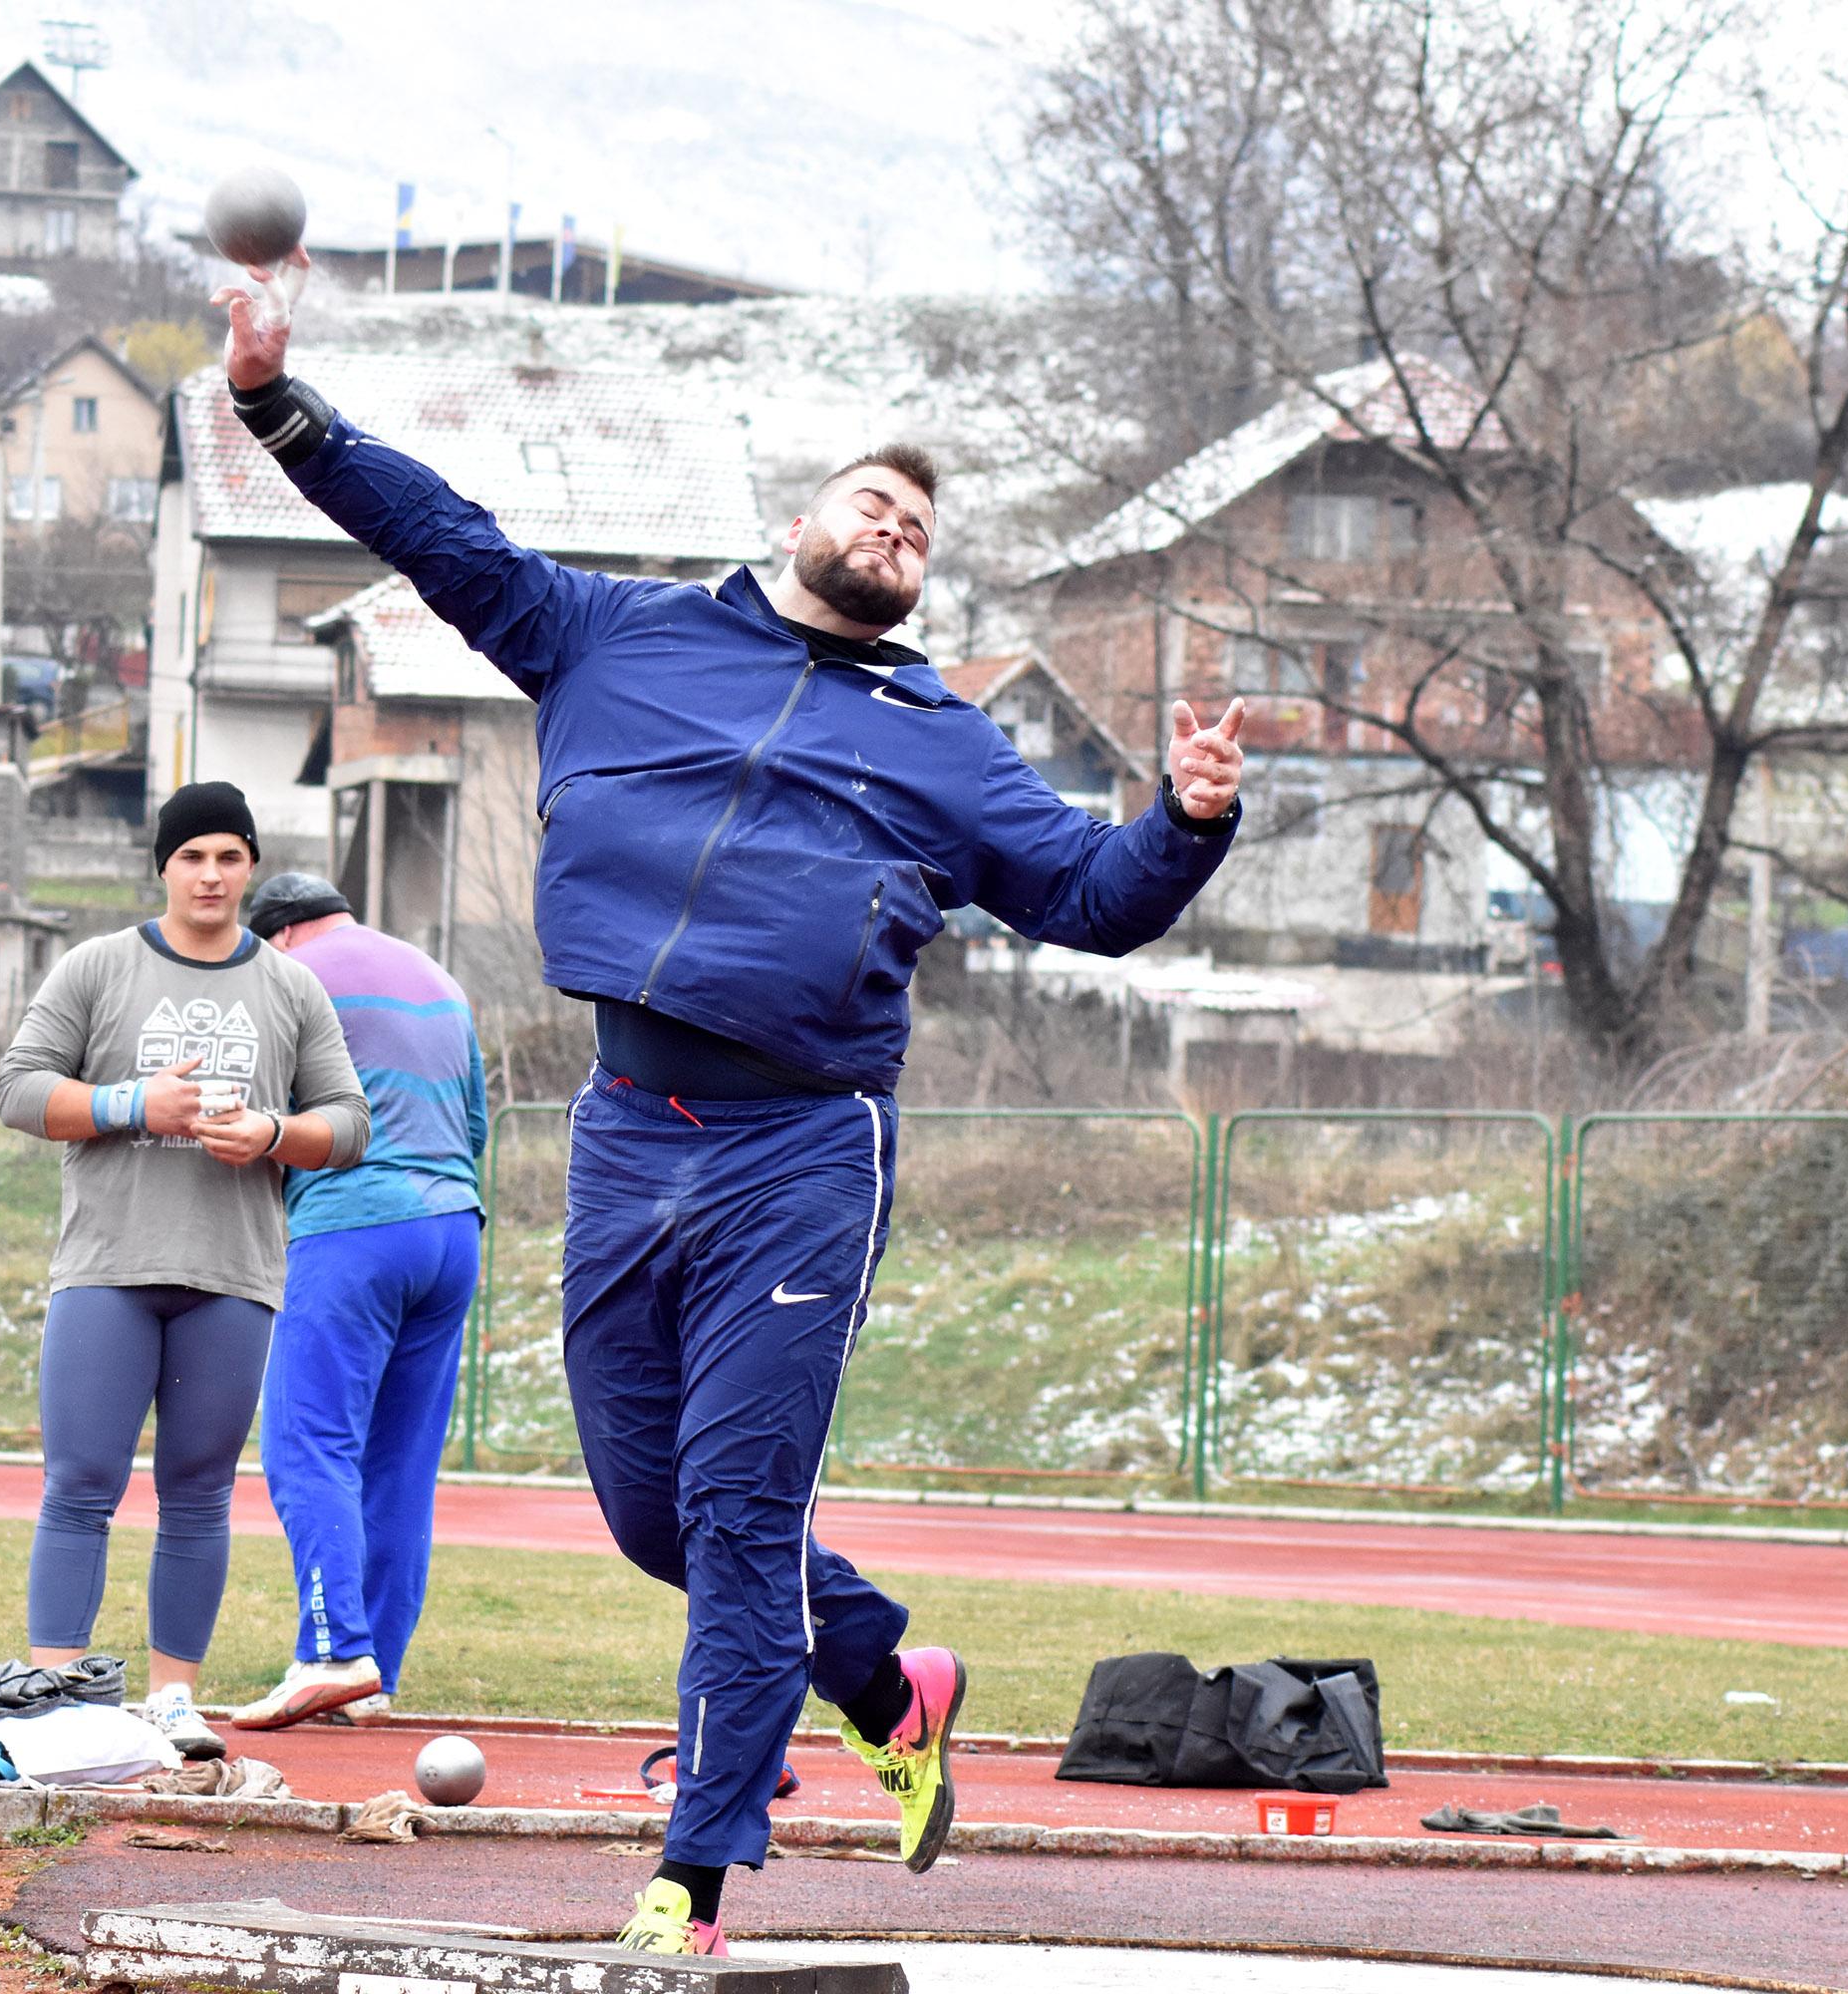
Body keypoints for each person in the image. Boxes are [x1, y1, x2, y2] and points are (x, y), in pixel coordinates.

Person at [215, 252, 1245, 1955]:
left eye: (922, 523)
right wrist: (274, 408)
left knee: (739, 1509)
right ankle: (884, 1679)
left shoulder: (949, 744)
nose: (896, 527)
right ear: (802, 521)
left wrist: (1190, 818)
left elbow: (1097, 896)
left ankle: (690, 1883)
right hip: (629, 1126)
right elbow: (441, 533)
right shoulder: (618, 636)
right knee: (647, 1513)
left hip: (801, 1143)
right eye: (873, 498)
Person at [0, 783, 371, 1761]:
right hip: (108, 1267)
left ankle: (170, 1699)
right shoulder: (97, 967)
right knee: (80, 1482)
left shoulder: (290, 986)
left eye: (228, 856)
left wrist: (275, 1132)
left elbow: (352, 1123)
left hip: (231, 1275)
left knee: (198, 1488)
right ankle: (57, 1692)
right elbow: (20, 1089)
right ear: (163, 865)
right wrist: (131, 1104)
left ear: (250, 868)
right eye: (192, 855)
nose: (210, 874)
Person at [227, 871, 489, 1733]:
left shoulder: (290, 976)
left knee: (308, 1446)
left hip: (353, 1228)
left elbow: (256, 1122)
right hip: (452, 1232)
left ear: (281, 934)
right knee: (400, 1467)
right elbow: (478, 1127)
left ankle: (334, 1650)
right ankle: (374, 1678)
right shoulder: (438, 976)